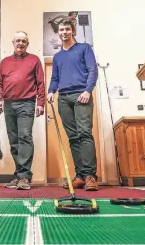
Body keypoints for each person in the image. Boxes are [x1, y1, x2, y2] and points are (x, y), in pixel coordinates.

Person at [47, 19, 99, 191]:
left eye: (67, 29)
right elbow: (55, 78)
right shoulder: (57, 56)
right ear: (58, 32)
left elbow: (93, 70)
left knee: (84, 133)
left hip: (81, 95)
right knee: (73, 137)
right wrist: (50, 91)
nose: (64, 32)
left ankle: (91, 176)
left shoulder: (84, 48)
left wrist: (87, 90)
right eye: (61, 30)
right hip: (63, 98)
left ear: (73, 31)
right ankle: (81, 176)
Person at [0, 31, 45, 190]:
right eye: (17, 41)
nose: (20, 43)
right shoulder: (5, 62)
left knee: (25, 137)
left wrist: (40, 103)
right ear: (13, 43)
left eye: (23, 41)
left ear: (27, 44)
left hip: (27, 103)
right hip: (8, 104)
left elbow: (41, 83)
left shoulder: (34, 60)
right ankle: (19, 174)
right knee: (14, 140)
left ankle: (24, 177)